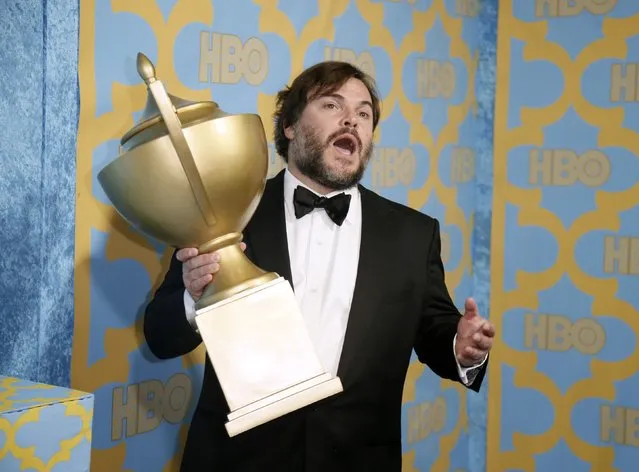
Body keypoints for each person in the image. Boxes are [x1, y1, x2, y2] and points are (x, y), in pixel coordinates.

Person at [143, 60, 495, 471]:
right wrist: (193, 297)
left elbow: (435, 329)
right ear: (290, 126)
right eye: (332, 105)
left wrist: (463, 347)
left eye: (364, 113)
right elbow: (160, 336)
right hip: (237, 460)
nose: (352, 119)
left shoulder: (412, 234)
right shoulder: (227, 213)